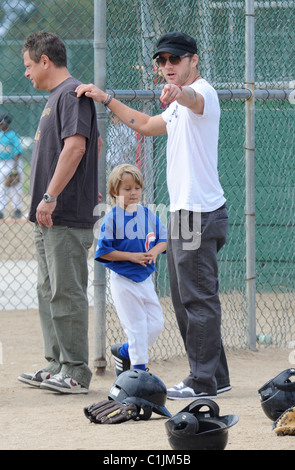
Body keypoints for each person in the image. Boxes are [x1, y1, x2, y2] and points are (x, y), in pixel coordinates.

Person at [76, 31, 231, 399]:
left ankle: (203, 381)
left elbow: (194, 99)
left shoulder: (201, 93)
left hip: (197, 214)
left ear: (193, 59)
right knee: (186, 299)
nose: (166, 67)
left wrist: (181, 93)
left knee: (197, 301)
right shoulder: (176, 106)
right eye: (161, 61)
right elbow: (145, 124)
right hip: (185, 213)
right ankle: (216, 376)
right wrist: (107, 98)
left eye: (174, 59)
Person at [17, 31, 100, 394]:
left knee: (66, 291)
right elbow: (91, 144)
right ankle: (56, 364)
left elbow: (77, 147)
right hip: (48, 216)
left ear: (45, 61)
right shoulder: (56, 97)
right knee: (47, 289)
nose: (26, 73)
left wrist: (50, 195)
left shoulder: (71, 94)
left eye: (29, 65)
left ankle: (76, 371)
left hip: (63, 213)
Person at [95, 163, 167, 375]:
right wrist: (131, 257)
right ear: (114, 192)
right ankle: (139, 374)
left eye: (137, 187)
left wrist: (153, 253)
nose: (133, 192)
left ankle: (124, 351)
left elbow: (164, 239)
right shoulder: (111, 218)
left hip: (145, 278)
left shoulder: (147, 213)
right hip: (123, 279)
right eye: (127, 189)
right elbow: (104, 251)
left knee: (155, 325)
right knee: (136, 328)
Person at [0, 113, 23, 219]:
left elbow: (17, 152)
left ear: (6, 124)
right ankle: (0, 210)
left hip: (13, 162)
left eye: (1, 123)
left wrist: (14, 169)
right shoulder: (0, 134)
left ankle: (17, 209)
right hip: (2, 163)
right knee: (2, 188)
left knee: (16, 187)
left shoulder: (13, 135)